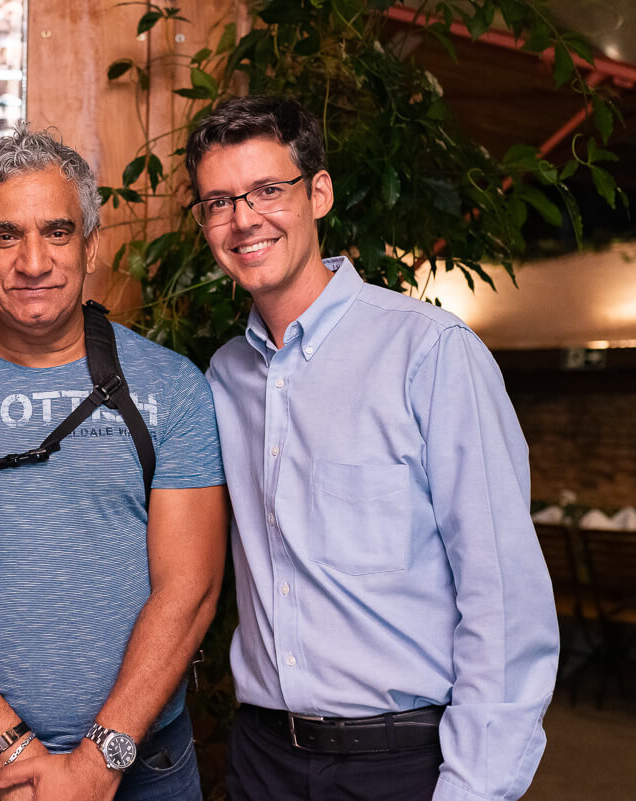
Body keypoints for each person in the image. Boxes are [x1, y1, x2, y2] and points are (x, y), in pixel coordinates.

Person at [186, 94, 559, 801]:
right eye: (219, 201)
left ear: (319, 192)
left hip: (402, 763)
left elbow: (503, 599)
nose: (244, 218)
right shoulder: (223, 378)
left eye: (269, 189)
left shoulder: (430, 352)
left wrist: (473, 788)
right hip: (262, 757)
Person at [0, 124, 228, 801]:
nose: (33, 261)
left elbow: (191, 588)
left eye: (57, 232)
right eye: (6, 236)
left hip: (145, 770)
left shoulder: (171, 386)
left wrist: (99, 760)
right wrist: (19, 751)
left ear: (89, 245)